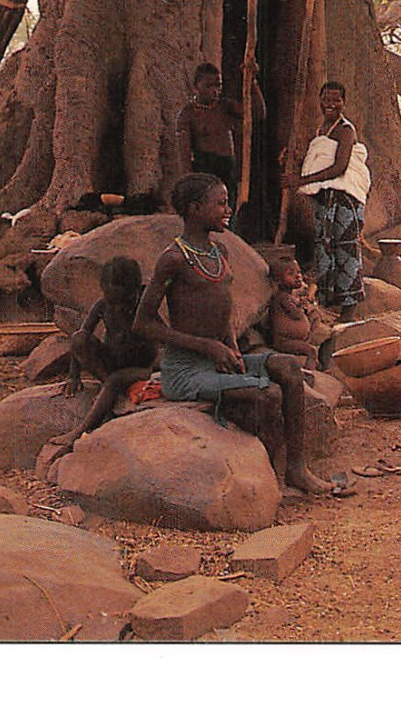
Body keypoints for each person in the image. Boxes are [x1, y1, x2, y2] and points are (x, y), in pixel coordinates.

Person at [136, 172, 344, 496]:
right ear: (193, 209)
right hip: (185, 371)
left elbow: (223, 310)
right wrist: (207, 348)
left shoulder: (221, 252)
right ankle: (265, 480)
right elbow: (144, 324)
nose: (228, 209)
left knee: (289, 369)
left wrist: (230, 346)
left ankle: (296, 469)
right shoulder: (173, 259)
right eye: (220, 203)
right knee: (269, 394)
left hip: (218, 359)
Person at [45, 256, 159, 464]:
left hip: (139, 367)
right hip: (112, 363)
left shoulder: (142, 306)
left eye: (116, 290)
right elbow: (81, 335)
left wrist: (153, 371)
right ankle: (108, 395)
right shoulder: (103, 305)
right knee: (79, 339)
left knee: (116, 380)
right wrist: (74, 376)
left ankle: (82, 429)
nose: (109, 294)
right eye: (106, 288)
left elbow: (159, 340)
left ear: (132, 289)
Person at [284, 81, 371, 323]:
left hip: (344, 200)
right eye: (327, 99)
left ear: (344, 102)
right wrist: (296, 160)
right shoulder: (322, 129)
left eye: (336, 100)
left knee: (347, 250)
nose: (331, 104)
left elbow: (339, 168)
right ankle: (328, 301)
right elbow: (320, 160)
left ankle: (350, 309)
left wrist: (300, 180)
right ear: (320, 100)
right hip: (326, 199)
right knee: (326, 247)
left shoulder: (345, 130)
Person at [178, 62, 262, 209]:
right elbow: (184, 154)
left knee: (227, 214)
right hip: (205, 169)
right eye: (209, 86)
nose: (215, 91)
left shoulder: (225, 107)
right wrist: (190, 183)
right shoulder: (188, 114)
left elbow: (258, 113)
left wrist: (252, 81)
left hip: (228, 171)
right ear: (196, 86)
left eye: (218, 85)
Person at [268, 256, 321, 374]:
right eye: (291, 274)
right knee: (311, 351)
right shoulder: (282, 297)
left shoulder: (289, 297)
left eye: (299, 272)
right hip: (284, 341)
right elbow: (296, 314)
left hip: (293, 339)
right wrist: (302, 305)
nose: (298, 276)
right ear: (278, 280)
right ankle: (309, 372)